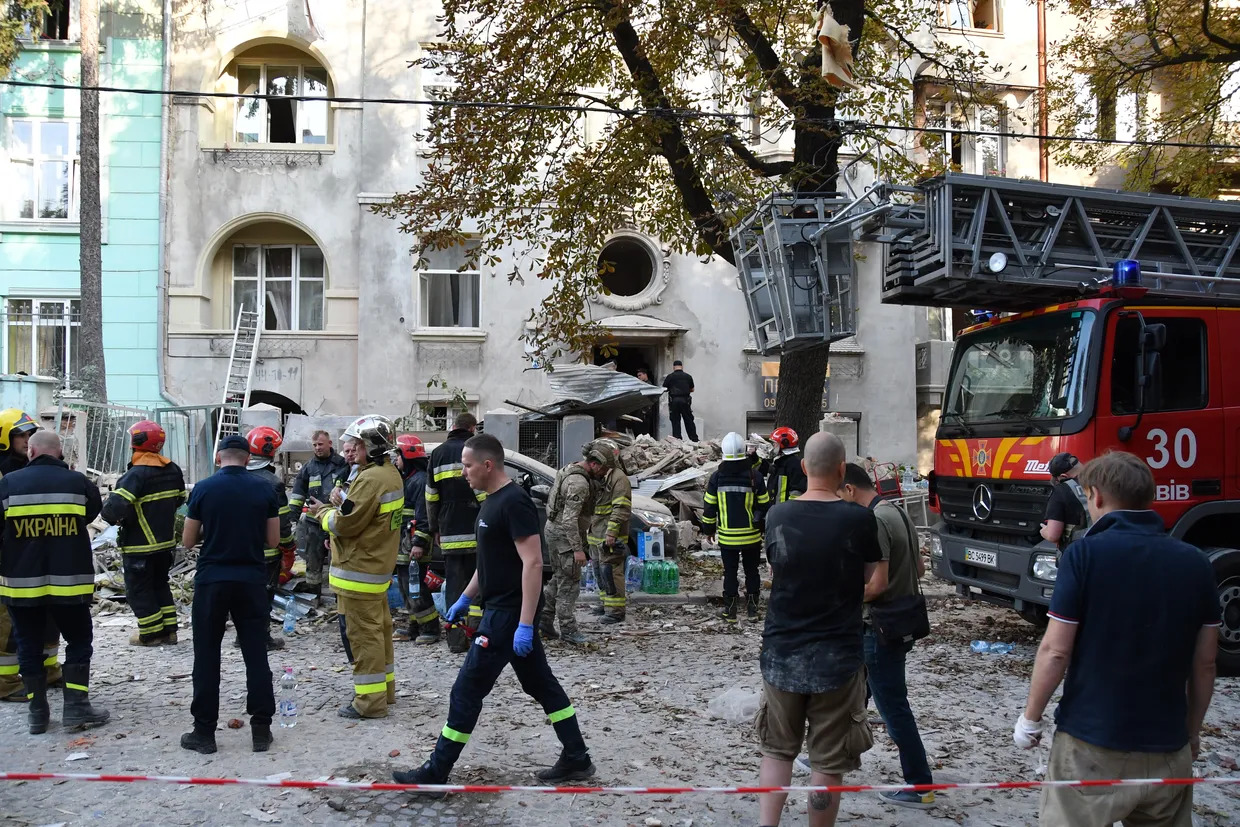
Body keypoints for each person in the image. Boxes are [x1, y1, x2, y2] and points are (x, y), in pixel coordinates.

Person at [1015, 451, 1220, 827]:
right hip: (1167, 745)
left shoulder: (1083, 555)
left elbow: (1056, 650)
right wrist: (1192, 733)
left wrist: (1031, 717)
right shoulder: (1195, 562)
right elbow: (1205, 662)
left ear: (1095, 496)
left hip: (1091, 743)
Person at [392, 433, 594, 789]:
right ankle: (577, 757)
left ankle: (436, 772)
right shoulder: (489, 502)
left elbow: (532, 564)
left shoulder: (514, 502)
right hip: (498, 610)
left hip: (507, 617)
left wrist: (526, 624)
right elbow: (488, 566)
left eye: (467, 466)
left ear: (488, 465)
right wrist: (465, 599)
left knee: (466, 691)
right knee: (541, 686)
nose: (462, 472)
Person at [757, 432, 880, 827]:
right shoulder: (859, 519)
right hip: (837, 658)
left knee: (777, 751)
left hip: (782, 652)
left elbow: (779, 568)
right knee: (828, 759)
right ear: (842, 469)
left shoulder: (778, 515)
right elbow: (869, 578)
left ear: (805, 468)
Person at [839, 463, 935, 809]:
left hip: (880, 627)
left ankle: (921, 785)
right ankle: (833, 755)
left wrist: (840, 595)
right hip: (900, 620)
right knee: (856, 693)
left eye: (840, 495)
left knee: (893, 708)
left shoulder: (874, 520)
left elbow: (876, 585)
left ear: (850, 489)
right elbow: (920, 567)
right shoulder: (895, 511)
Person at [0, 430, 108, 735]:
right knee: (77, 642)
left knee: (28, 646)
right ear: (59, 453)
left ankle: (37, 713)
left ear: (31, 453)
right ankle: (75, 707)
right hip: (69, 584)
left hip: (21, 585)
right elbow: (90, 513)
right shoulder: (78, 483)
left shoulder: (7, 485)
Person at [180, 435, 280, 754]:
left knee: (207, 655)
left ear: (219, 458)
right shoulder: (266, 488)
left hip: (212, 580)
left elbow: (187, 540)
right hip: (251, 579)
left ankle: (204, 733)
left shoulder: (203, 488)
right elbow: (274, 541)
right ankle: (261, 730)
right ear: (248, 459)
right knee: (255, 653)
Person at [311, 416, 404, 719]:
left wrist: (322, 512)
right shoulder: (389, 474)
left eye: (358, 445)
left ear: (372, 447)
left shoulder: (371, 479)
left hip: (358, 573)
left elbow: (345, 524)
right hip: (375, 569)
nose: (352, 450)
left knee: (363, 639)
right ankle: (384, 693)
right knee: (380, 633)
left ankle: (369, 702)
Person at [101, 420, 187, 646]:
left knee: (139, 590)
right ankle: (170, 631)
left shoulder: (135, 475)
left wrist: (115, 516)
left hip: (139, 545)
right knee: (160, 584)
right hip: (165, 543)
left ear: (136, 442)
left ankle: (150, 634)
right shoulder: (172, 469)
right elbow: (180, 499)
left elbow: (113, 510)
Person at [0, 411, 63, 703]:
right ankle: (5, 681)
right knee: (9, 624)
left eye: (29, 436)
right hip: (9, 560)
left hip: (42, 555)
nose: (27, 441)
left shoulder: (36, 468)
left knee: (50, 616)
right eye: (21, 436)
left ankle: (49, 669)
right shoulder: (5, 474)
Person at [426, 413, 486, 653]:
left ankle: (455, 641)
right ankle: (478, 636)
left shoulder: (437, 454)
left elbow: (431, 496)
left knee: (454, 587)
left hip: (449, 531)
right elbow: (484, 491)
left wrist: (434, 528)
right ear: (472, 428)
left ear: (453, 426)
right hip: (475, 529)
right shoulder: (475, 451)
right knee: (478, 584)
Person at [540, 445, 608, 645]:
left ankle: (544, 620)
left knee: (559, 578)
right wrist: (578, 550)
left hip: (555, 530)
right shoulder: (579, 483)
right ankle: (568, 629)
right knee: (569, 583)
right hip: (564, 536)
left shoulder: (570, 468)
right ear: (594, 465)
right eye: (604, 469)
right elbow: (570, 520)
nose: (605, 474)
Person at [702, 432, 770, 622]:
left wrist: (709, 530)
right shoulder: (754, 476)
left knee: (730, 572)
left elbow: (709, 507)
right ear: (744, 452)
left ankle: (730, 612)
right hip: (751, 536)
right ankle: (753, 611)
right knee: (752, 571)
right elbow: (764, 505)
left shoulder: (717, 477)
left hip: (727, 536)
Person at [245, 426, 294, 651]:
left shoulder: (237, 476)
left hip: (239, 549)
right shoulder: (273, 483)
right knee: (264, 594)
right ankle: (262, 637)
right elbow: (282, 523)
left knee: (244, 594)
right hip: (267, 551)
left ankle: (242, 635)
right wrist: (289, 546)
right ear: (270, 451)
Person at [288, 430, 350, 597]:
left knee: (337, 559)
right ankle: (313, 593)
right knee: (313, 558)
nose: (317, 448)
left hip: (337, 520)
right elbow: (297, 495)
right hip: (314, 521)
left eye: (320, 444)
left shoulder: (343, 464)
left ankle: (339, 595)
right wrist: (290, 519)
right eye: (314, 445)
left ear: (330, 444)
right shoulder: (308, 467)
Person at [393, 434, 439, 644]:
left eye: (398, 455)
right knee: (406, 585)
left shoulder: (419, 480)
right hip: (404, 542)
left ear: (407, 456)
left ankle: (430, 628)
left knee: (416, 585)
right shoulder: (408, 479)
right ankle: (414, 626)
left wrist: (419, 543)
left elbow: (423, 516)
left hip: (414, 543)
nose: (396, 460)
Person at [586, 438, 631, 625]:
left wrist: (611, 533)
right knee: (599, 571)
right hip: (596, 534)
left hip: (609, 536)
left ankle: (616, 611)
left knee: (611, 572)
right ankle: (606, 604)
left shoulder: (619, 479)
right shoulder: (602, 476)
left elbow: (621, 508)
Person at [1039, 452, 1089, 548]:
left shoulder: (1061, 490)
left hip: (1077, 553)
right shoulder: (1102, 482)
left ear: (1063, 476)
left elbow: (1052, 535)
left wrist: (1044, 530)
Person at [765, 427, 807, 504]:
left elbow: (796, 493)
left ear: (784, 443)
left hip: (786, 513)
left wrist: (788, 511)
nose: (773, 446)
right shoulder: (778, 463)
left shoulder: (795, 465)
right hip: (775, 511)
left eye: (775, 444)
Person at [662, 360, 698, 441]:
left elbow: (664, 388)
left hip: (674, 401)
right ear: (682, 366)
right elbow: (692, 389)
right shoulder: (688, 376)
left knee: (675, 420)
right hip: (685, 401)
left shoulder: (670, 377)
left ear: (673, 367)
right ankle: (694, 439)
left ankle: (677, 439)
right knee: (688, 420)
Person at [0, 408, 38, 475]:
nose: (28, 441)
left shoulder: (36, 462)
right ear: (5, 437)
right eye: (21, 435)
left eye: (29, 434)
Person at [634, 368, 659, 438]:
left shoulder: (648, 385)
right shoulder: (642, 385)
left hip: (646, 411)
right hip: (641, 410)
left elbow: (650, 399)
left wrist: (646, 410)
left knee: (644, 430)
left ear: (645, 374)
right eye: (638, 376)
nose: (638, 377)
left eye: (640, 375)